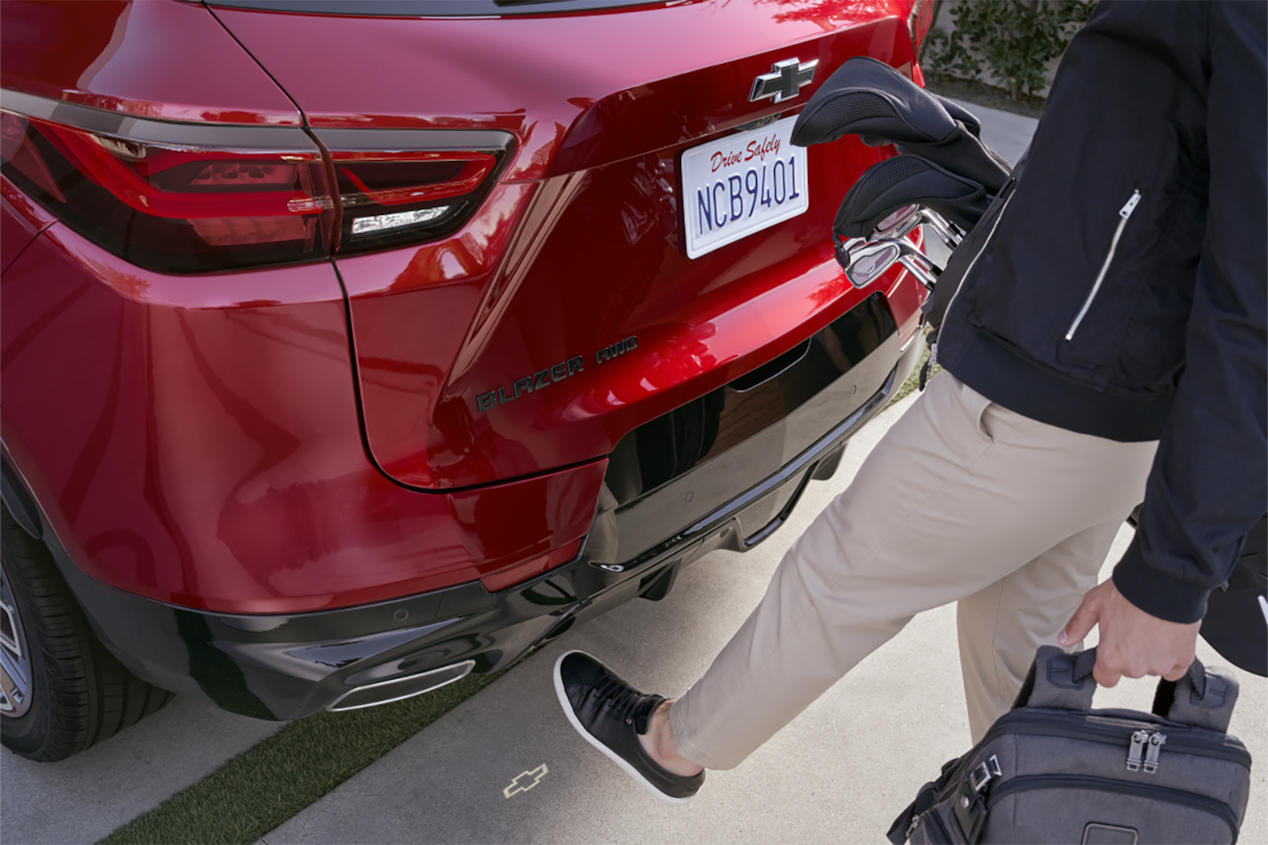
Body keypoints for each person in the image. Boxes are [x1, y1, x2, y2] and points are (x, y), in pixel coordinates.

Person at [554, 0, 1268, 806]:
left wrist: (1171, 579)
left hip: (1053, 393)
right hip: (1102, 395)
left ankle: (672, 743)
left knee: (841, 575)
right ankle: (1035, 820)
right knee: (1020, 659)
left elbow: (1256, 294)